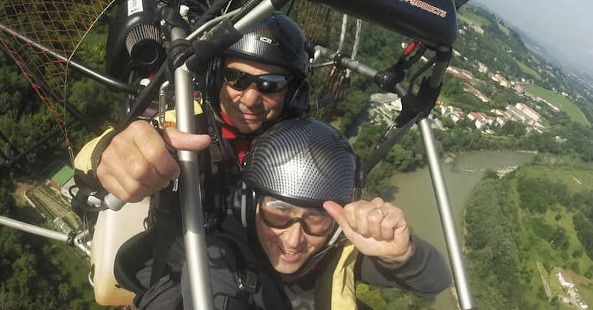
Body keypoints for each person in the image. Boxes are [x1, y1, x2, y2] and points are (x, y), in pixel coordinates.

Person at [73, 12, 312, 304]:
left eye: (270, 84)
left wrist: (384, 262)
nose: (249, 99)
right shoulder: (184, 123)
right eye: (236, 78)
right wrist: (106, 156)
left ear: (293, 92)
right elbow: (105, 150)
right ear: (215, 76)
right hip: (179, 271)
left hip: (265, 281)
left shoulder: (301, 149)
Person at [142, 118, 452, 309]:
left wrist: (402, 255)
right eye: (278, 212)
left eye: (315, 219)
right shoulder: (217, 254)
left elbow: (436, 282)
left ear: (335, 223)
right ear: (249, 204)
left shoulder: (332, 253)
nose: (293, 240)